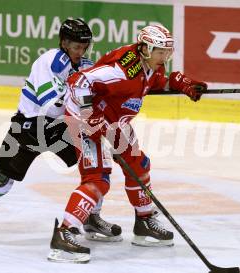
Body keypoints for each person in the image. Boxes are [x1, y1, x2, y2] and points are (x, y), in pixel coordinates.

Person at [0, 19, 122, 243]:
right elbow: (50, 104)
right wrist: (77, 91)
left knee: (95, 166)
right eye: (76, 47)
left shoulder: (85, 66)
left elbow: (100, 93)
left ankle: (91, 217)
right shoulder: (48, 62)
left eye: (85, 47)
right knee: (0, 179)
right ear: (64, 43)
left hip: (62, 128)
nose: (81, 52)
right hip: (29, 126)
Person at [47, 24, 207, 263]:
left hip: (115, 121)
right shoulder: (121, 70)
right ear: (145, 48)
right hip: (85, 123)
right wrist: (91, 117)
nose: (164, 57)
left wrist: (179, 83)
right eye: (160, 52)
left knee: (139, 164)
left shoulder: (149, 64)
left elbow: (153, 82)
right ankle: (64, 234)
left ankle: (144, 222)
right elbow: (78, 82)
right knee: (97, 179)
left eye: (167, 52)